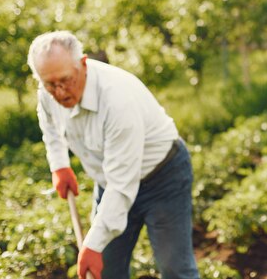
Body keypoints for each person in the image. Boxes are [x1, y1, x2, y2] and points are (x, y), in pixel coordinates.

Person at [27, 31, 200, 279]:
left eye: (65, 81)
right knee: (105, 270)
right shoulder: (48, 92)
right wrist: (59, 165)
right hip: (110, 182)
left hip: (163, 178)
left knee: (174, 268)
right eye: (50, 85)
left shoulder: (117, 100)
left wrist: (92, 245)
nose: (60, 92)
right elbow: (50, 127)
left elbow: (122, 184)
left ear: (83, 64)